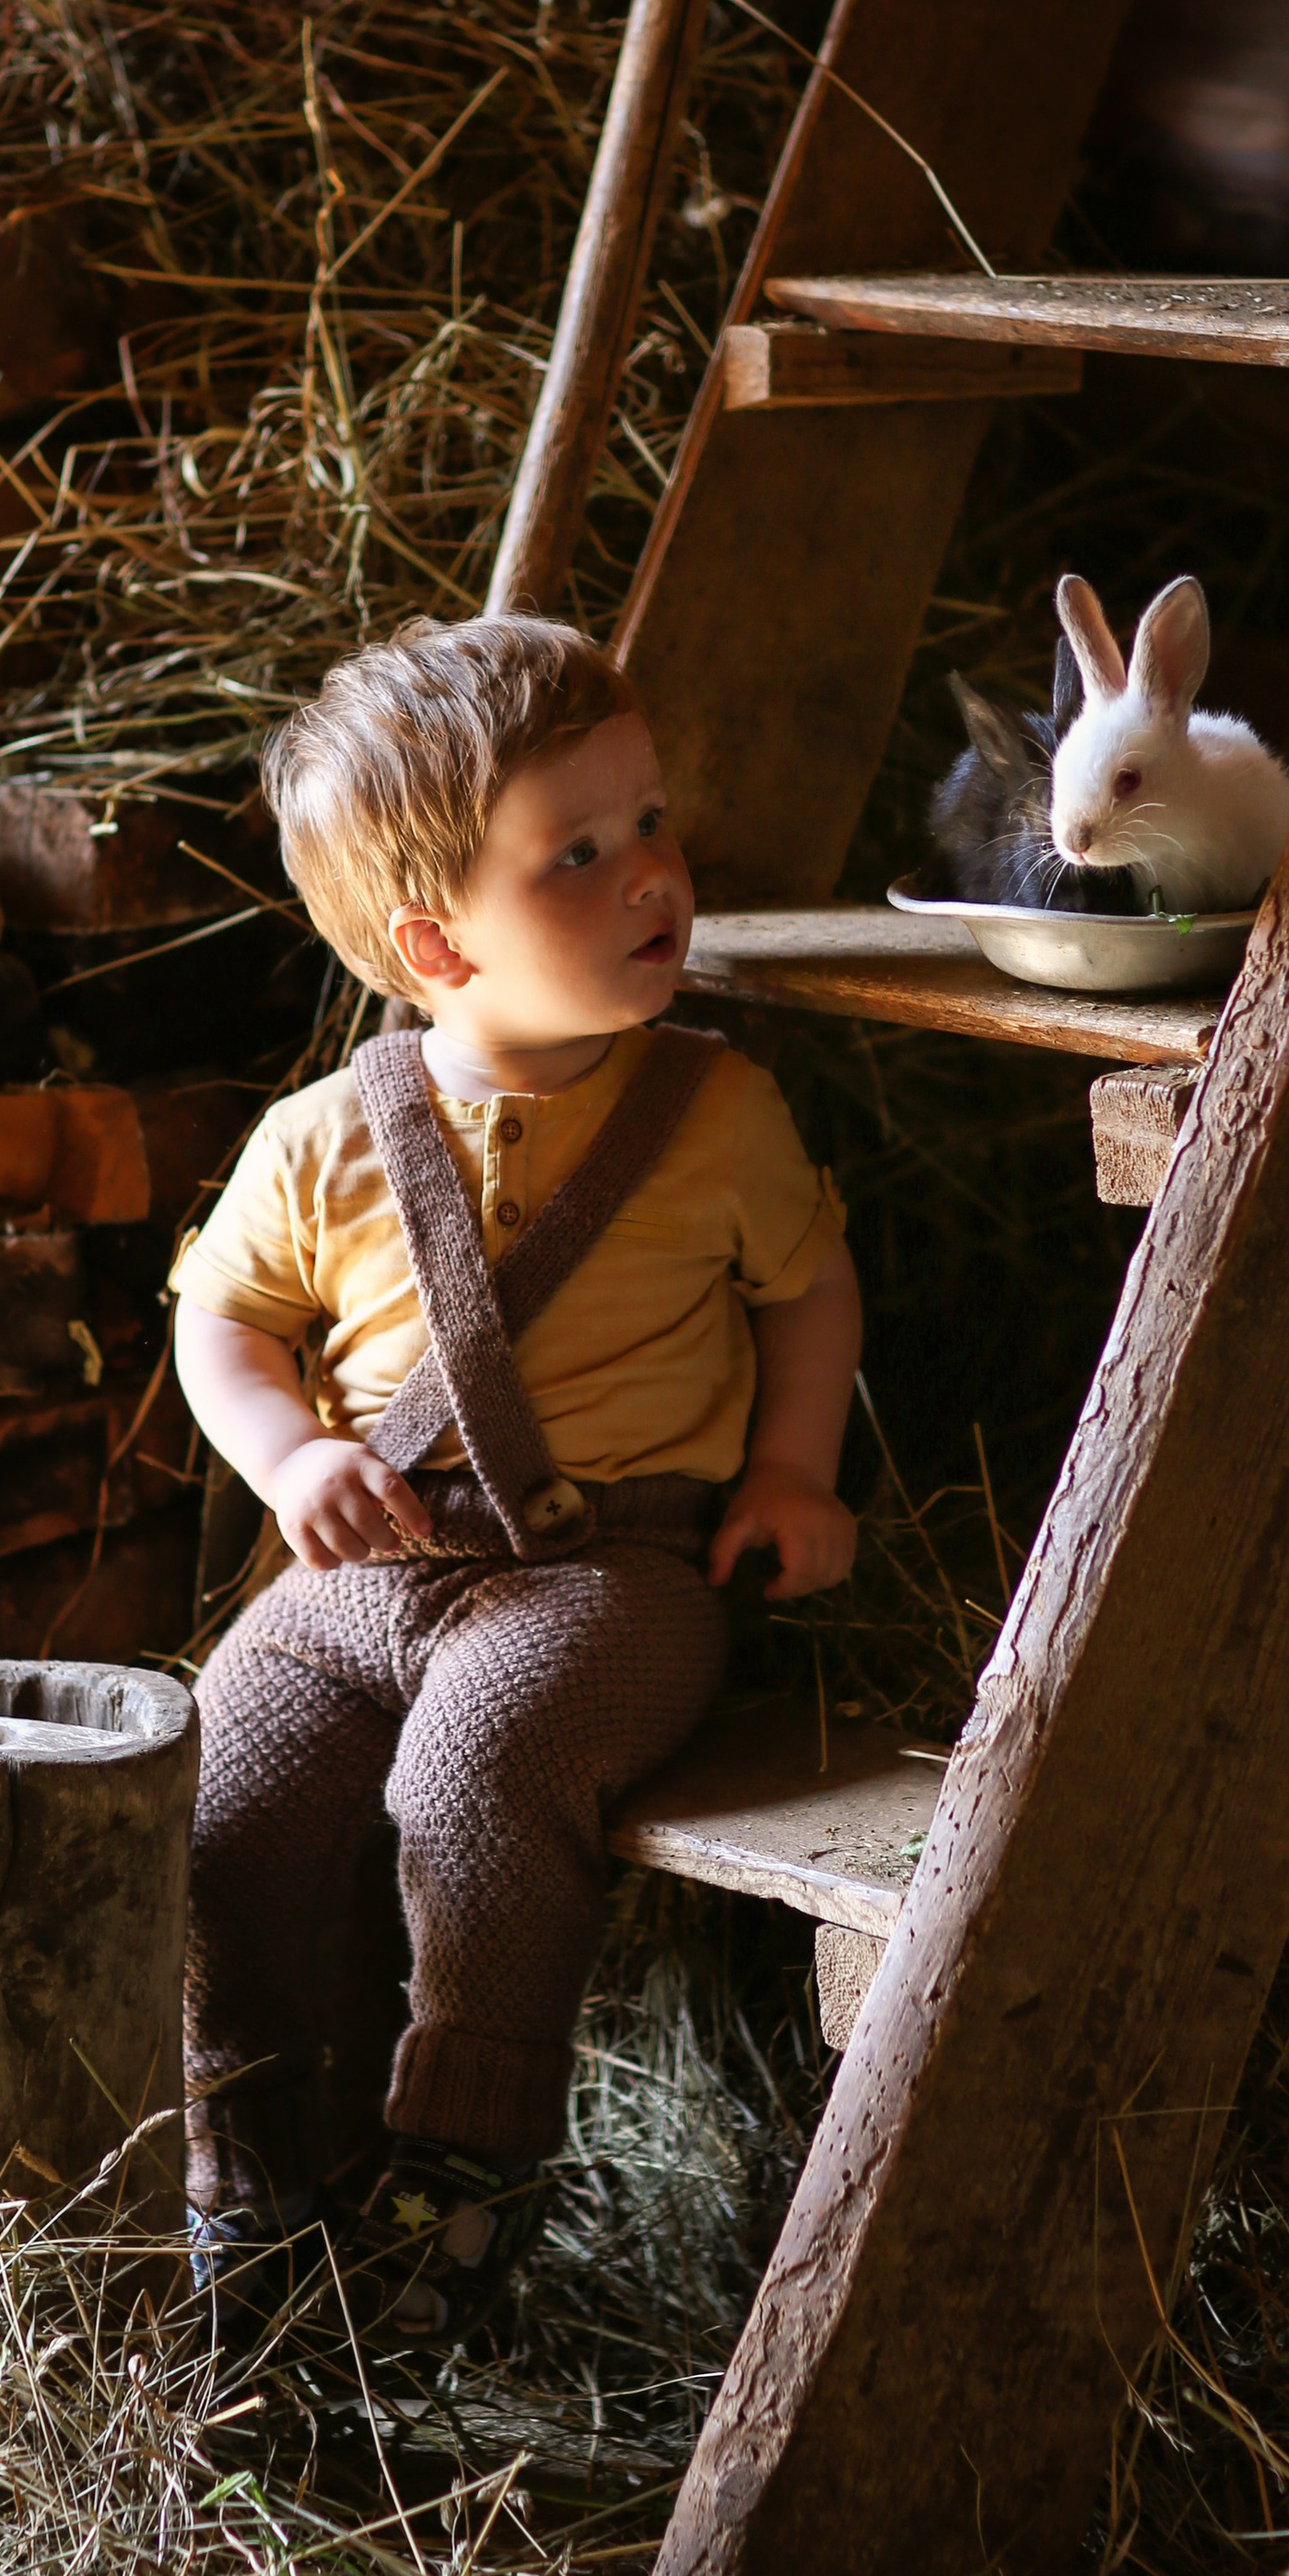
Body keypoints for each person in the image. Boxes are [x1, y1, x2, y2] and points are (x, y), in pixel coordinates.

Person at [171, 613, 861, 2340]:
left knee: (478, 1766)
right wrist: (289, 1450)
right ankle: (249, 2162)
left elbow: (809, 1286)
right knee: (229, 1772)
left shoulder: (715, 1110)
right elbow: (224, 1320)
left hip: (608, 1580)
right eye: (577, 852)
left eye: (650, 826)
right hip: (365, 1577)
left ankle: (462, 2175)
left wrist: (790, 1470)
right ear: (436, 943)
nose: (651, 875)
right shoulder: (326, 1135)